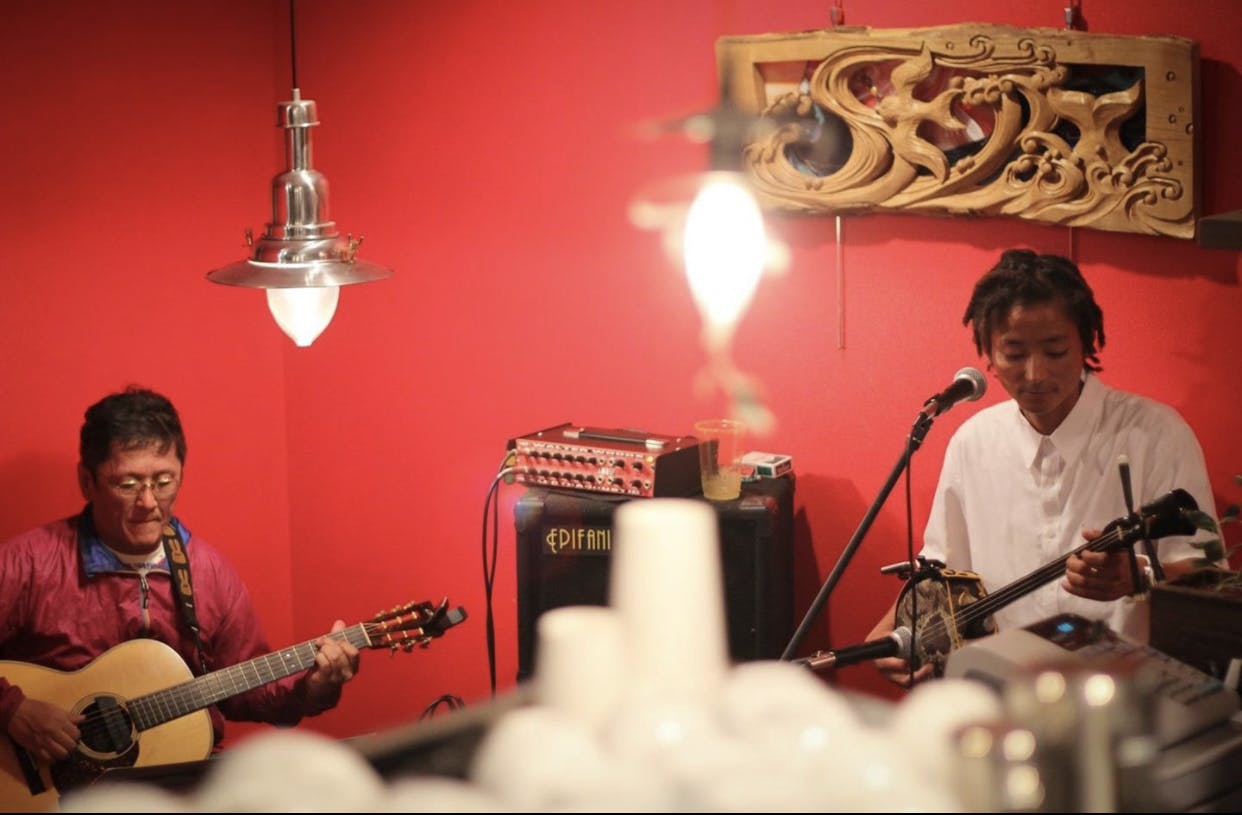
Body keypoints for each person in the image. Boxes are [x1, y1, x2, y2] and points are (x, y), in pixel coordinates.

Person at [866, 249, 1221, 687]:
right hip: (1005, 689)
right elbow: (943, 573)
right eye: (1014, 354)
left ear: (1086, 344)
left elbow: (1213, 580)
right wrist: (894, 631)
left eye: (1055, 351)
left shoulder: (1156, 434)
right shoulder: (973, 443)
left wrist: (1141, 576)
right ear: (988, 356)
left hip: (1129, 695)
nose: (1035, 374)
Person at [0, 386, 360, 766]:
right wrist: (12, 709)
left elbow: (248, 694)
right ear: (87, 482)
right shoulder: (30, 562)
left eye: (163, 482)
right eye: (128, 484)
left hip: (178, 779)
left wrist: (313, 687)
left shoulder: (209, 574)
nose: (148, 502)